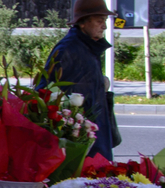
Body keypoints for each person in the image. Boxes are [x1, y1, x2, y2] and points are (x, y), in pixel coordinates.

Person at [40, 0, 120, 160]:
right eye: (99, 21)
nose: (104, 26)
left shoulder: (87, 47)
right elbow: (45, 92)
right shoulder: (68, 49)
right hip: (78, 142)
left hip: (90, 136)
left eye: (104, 21)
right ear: (83, 23)